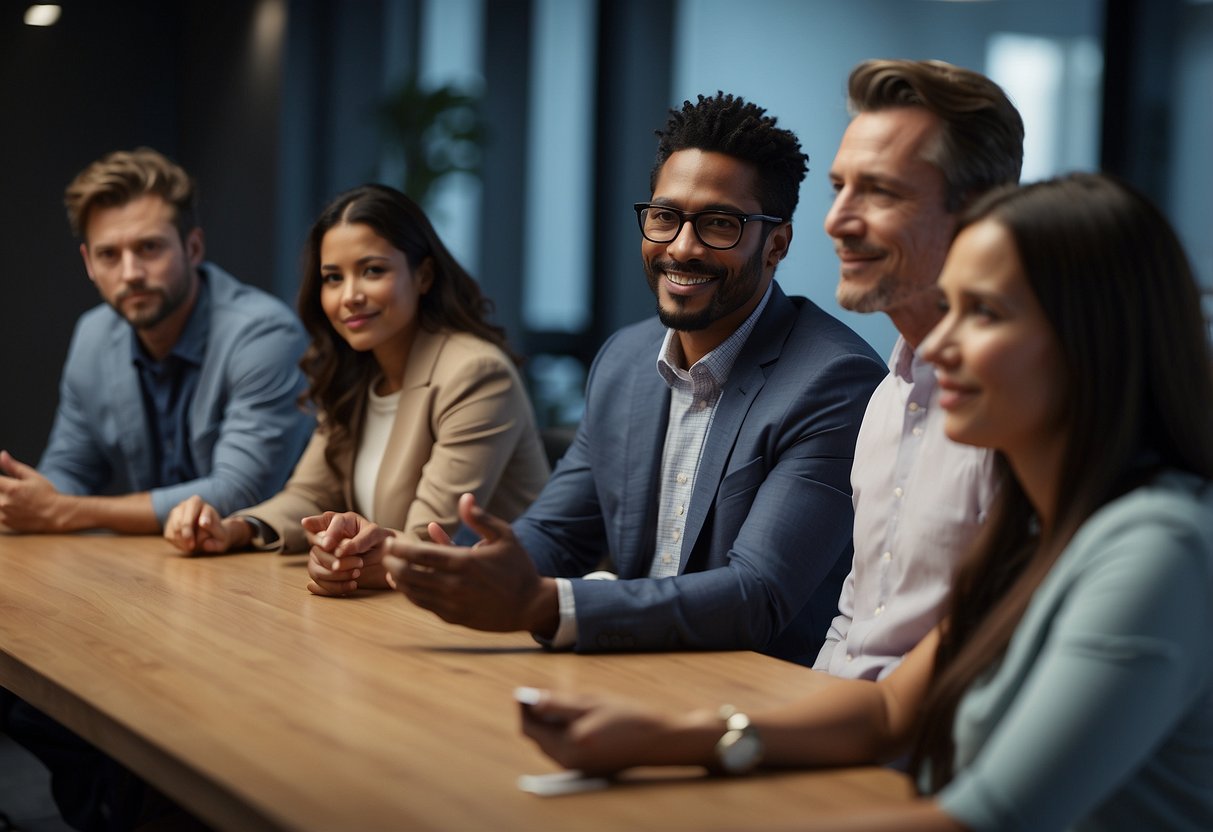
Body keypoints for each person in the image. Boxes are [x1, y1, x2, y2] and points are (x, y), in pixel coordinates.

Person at [518, 172, 1213, 831]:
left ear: (1091, 344)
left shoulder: (1154, 550)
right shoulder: (1038, 529)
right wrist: (666, 737)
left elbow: (984, 823)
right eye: (949, 307)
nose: (936, 345)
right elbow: (887, 714)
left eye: (984, 314)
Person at [344, 92, 889, 665]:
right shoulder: (625, 361)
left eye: (720, 225)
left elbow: (756, 597)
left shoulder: (834, 382)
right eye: (665, 217)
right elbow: (558, 535)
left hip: (757, 698)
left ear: (775, 243)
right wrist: (411, 561)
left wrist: (545, 606)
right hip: (628, 671)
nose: (682, 247)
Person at [163, 184, 550, 596]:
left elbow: (432, 536)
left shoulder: (476, 373)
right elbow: (311, 494)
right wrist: (233, 528)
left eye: (372, 271)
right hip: (409, 607)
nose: (349, 296)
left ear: (423, 275)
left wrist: (341, 559)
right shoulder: (358, 371)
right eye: (333, 278)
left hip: (505, 608)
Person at [814, 59, 1023, 680]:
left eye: (881, 192)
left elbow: (991, 658)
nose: (837, 221)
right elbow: (856, 620)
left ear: (978, 213)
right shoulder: (886, 395)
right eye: (839, 188)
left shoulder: (1018, 414)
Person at [0, 147, 312, 534]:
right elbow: (70, 470)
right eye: (109, 254)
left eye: (149, 247)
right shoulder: (94, 335)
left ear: (193, 247)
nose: (130, 273)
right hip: (156, 571)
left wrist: (66, 510)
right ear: (89, 264)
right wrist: (27, 500)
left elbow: (239, 492)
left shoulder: (265, 334)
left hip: (265, 571)